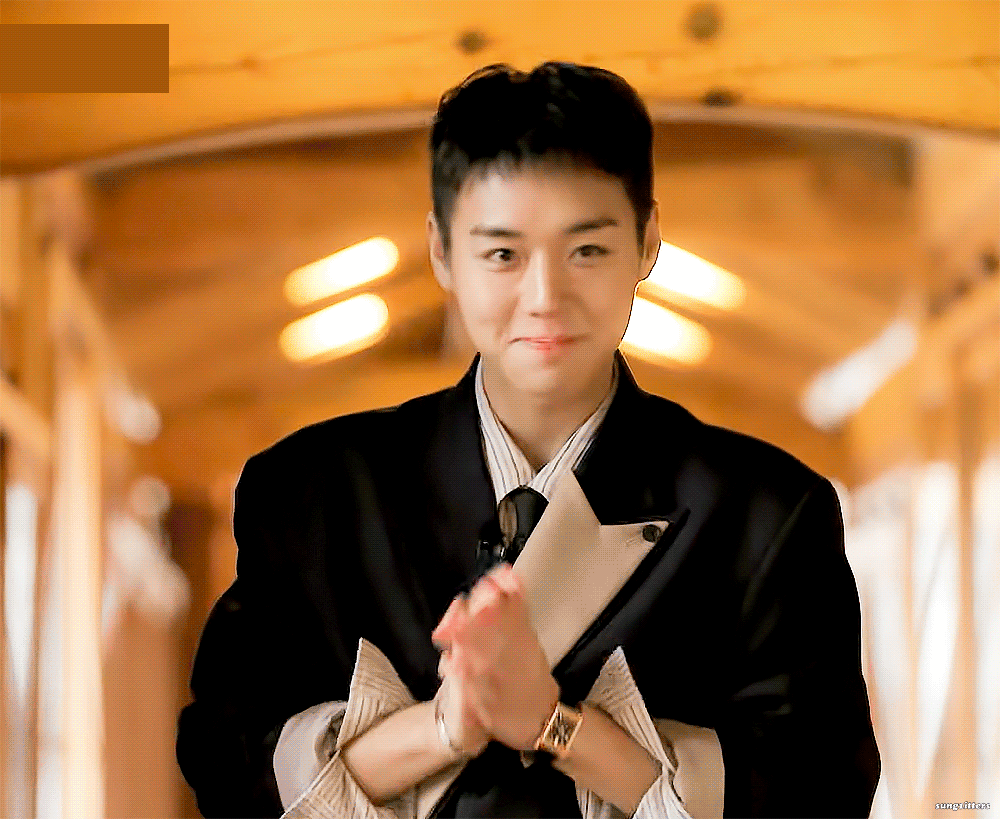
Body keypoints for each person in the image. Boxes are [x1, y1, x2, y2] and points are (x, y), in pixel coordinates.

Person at [176, 62, 880, 818]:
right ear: (442, 252)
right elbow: (225, 765)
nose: (545, 298)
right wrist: (444, 728)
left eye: (587, 250)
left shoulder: (768, 513)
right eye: (502, 254)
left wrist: (554, 724)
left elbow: (824, 794)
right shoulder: (310, 494)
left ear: (647, 243)